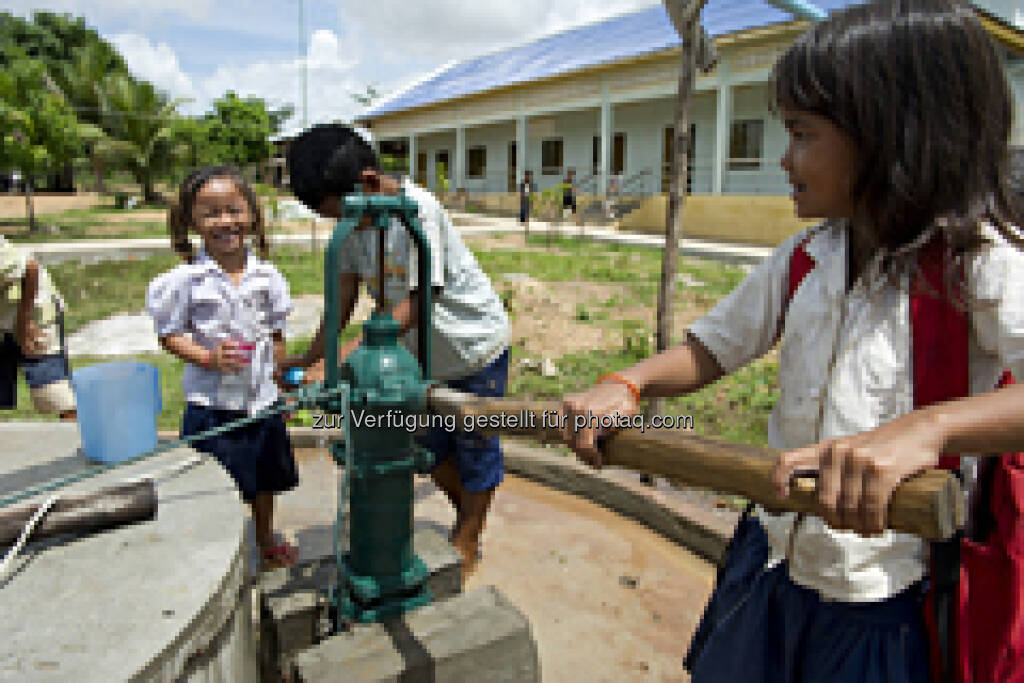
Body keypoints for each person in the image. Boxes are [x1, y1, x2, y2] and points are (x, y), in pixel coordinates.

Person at [561, 0, 1024, 680]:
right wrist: (628, 382)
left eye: (804, 134)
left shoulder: (975, 264)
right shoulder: (807, 256)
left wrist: (930, 429)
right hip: (773, 553)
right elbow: (715, 346)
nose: (785, 158)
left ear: (892, 136)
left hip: (883, 599)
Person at [281, 124, 510, 579]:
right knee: (429, 446)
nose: (340, 224)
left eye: (340, 213)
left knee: (475, 449)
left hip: (471, 348)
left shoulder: (419, 212)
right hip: (417, 359)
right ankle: (469, 513)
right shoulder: (351, 223)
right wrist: (313, 358)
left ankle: (467, 538)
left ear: (368, 184)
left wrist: (343, 356)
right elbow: (340, 301)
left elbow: (421, 301)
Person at [146, 166, 299, 570]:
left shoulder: (267, 276)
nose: (225, 221)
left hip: (261, 402)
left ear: (251, 214)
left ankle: (265, 538)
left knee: (266, 480)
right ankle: (218, 557)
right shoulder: (185, 280)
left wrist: (284, 381)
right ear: (189, 222)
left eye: (234, 209)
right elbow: (170, 335)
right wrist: (208, 358)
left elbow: (276, 336)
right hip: (212, 406)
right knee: (215, 487)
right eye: (210, 213)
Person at [0, 235, 76, 420]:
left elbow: (30, 268)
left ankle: (76, 441)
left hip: (35, 312)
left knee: (55, 395)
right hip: (3, 316)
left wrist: (25, 323)